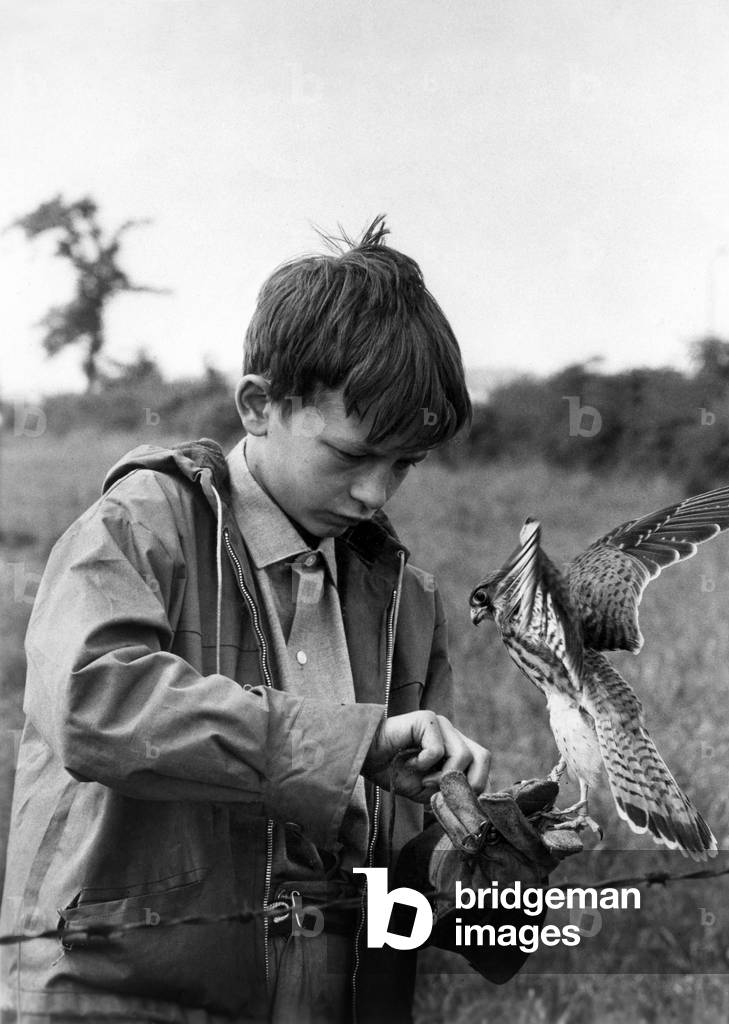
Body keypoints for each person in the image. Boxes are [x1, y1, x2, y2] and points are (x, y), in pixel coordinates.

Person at [0, 218, 573, 1024]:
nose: (375, 493)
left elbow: (386, 871)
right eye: (351, 456)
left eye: (404, 464)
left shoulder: (406, 601)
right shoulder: (139, 527)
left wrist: (472, 866)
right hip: (125, 1000)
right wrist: (349, 745)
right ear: (258, 405)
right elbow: (94, 707)